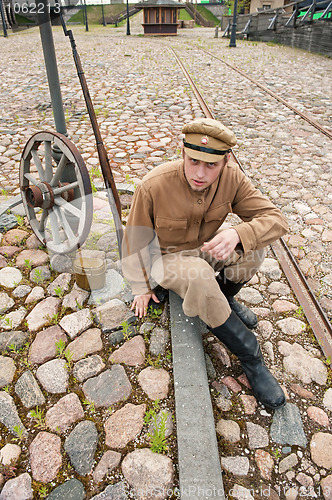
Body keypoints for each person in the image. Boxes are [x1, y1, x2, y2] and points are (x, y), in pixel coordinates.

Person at [122, 118, 288, 410]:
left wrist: (239, 232)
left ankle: (223, 298)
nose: (200, 173)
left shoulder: (233, 179)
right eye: (194, 161)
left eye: (211, 165)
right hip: (166, 261)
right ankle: (251, 357)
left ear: (225, 161)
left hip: (202, 250)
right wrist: (140, 286)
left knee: (254, 246)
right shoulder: (154, 185)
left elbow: (276, 220)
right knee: (199, 275)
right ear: (182, 153)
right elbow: (134, 239)